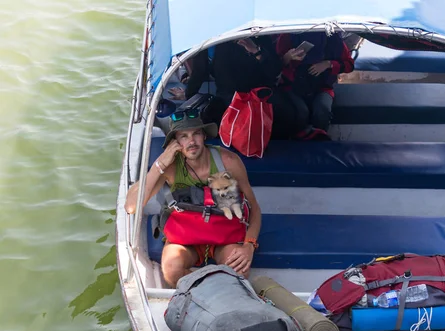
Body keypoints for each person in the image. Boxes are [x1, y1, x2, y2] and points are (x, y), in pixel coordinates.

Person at [125, 112, 262, 287]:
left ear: (204, 135)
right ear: (175, 143)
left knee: (239, 270)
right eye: (184, 136)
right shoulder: (171, 167)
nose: (191, 142)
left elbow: (254, 208)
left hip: (224, 236)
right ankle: (207, 291)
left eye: (195, 134)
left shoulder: (228, 161)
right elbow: (130, 207)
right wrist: (160, 164)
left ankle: (213, 289)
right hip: (185, 238)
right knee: (171, 270)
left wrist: (249, 245)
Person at [169, 36, 304, 138]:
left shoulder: (259, 36)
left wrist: (256, 51)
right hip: (229, 101)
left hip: (260, 98)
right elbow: (200, 70)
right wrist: (188, 95)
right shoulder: (214, 37)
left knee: (293, 115)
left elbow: (274, 70)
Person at [276, 32, 355, 138]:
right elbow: (275, 64)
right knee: (300, 112)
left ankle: (318, 143)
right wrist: (288, 57)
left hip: (322, 87)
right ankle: (296, 145)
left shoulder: (333, 38)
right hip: (292, 85)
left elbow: (349, 65)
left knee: (322, 110)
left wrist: (328, 64)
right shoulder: (287, 35)